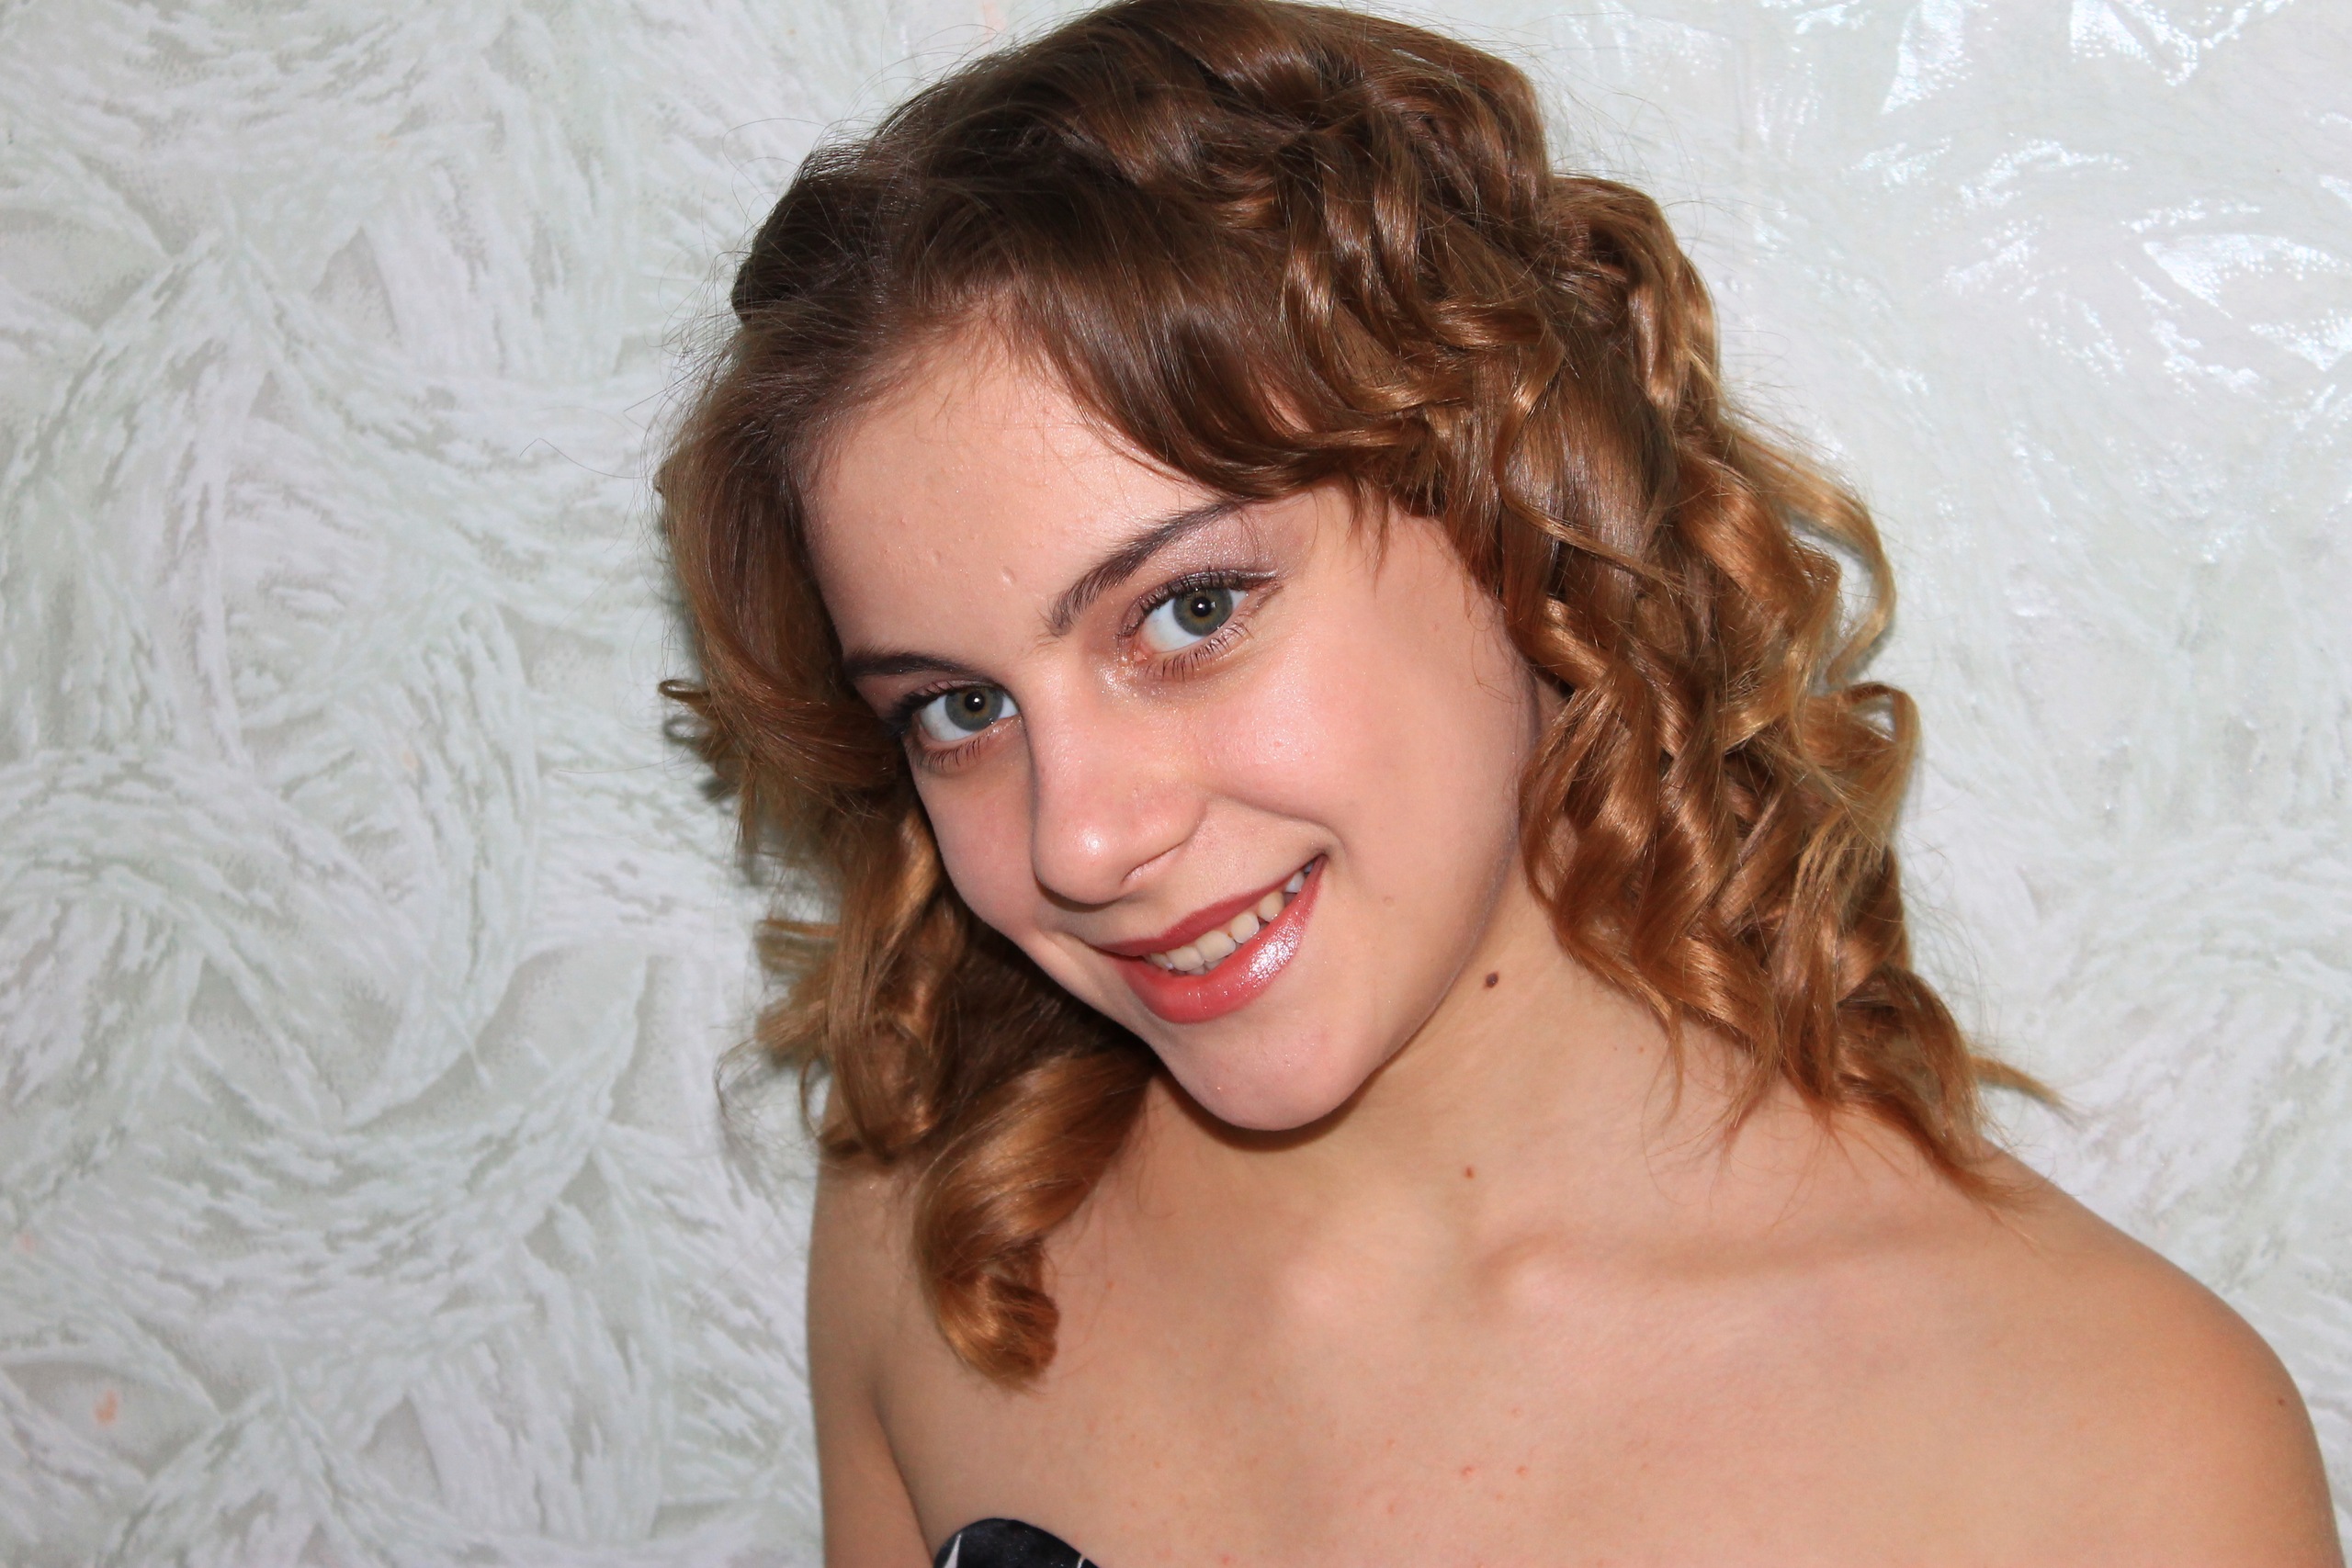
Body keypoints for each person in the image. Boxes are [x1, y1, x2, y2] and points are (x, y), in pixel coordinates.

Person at [660, 2, 2342, 1562]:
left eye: (1190, 612)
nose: (1081, 838)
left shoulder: (2113, 1456)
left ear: (1506, 505)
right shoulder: (944, 1233)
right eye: (959, 708)